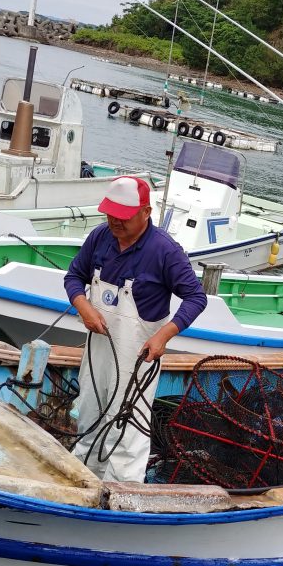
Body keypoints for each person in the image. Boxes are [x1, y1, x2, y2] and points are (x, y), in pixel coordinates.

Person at [63, 176, 206, 482]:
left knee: (126, 429)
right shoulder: (100, 237)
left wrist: (163, 335)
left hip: (139, 355)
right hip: (98, 348)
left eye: (123, 216)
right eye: (110, 213)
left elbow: (196, 297)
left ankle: (120, 494)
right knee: (89, 415)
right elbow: (74, 276)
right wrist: (84, 307)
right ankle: (81, 482)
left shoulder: (165, 251)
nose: (115, 221)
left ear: (146, 212)